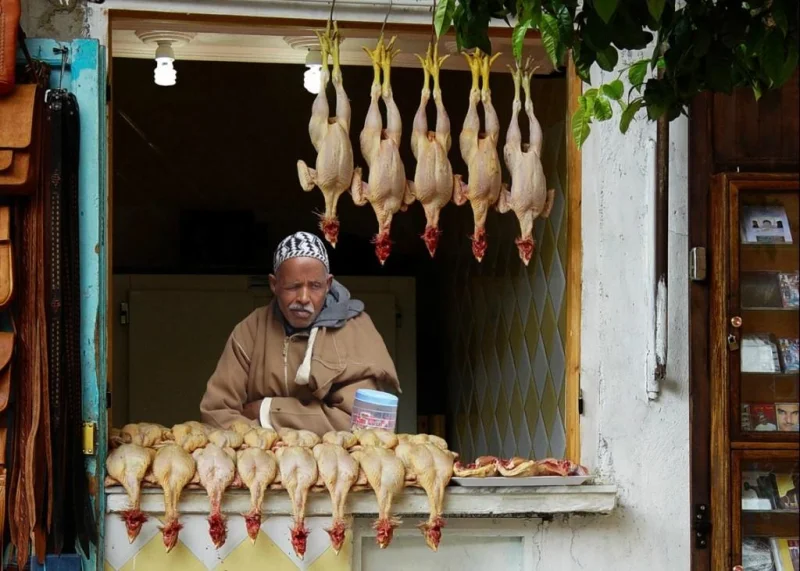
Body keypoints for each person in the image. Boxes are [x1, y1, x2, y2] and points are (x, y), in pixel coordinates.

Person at [200, 231, 401, 433]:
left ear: (328, 284)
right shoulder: (251, 329)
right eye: (293, 286)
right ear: (274, 284)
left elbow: (358, 424)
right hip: (262, 459)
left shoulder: (356, 330)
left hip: (337, 462)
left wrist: (266, 410)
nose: (304, 298)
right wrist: (267, 444)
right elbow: (216, 412)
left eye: (315, 286)